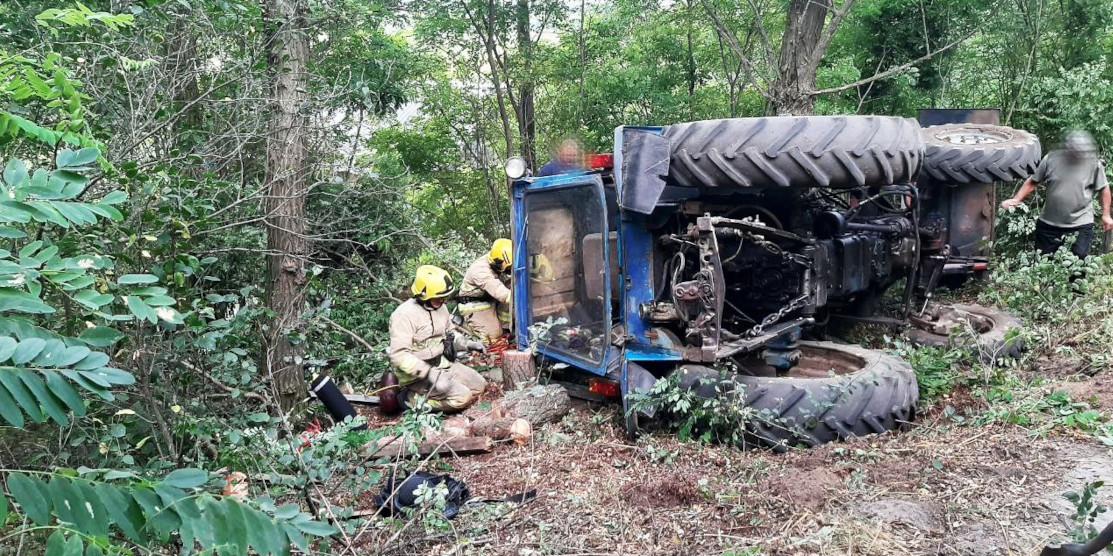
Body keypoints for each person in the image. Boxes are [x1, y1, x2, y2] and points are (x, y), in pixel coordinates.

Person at [388, 265, 487, 412]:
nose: (443, 301)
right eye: (438, 298)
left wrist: (467, 344)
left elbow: (450, 334)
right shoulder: (403, 316)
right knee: (462, 398)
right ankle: (411, 400)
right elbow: (399, 355)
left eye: (444, 298)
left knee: (480, 386)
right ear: (422, 296)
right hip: (417, 376)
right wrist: (428, 373)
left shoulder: (441, 308)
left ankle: (439, 392)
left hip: (442, 364)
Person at [1001, 130, 1113, 258]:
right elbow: (1033, 181)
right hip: (1049, 225)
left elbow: (1104, 188)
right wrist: (1016, 199)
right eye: (1075, 152)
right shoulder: (1052, 159)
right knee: (1044, 264)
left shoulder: (1093, 164)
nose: (1078, 156)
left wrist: (1106, 214)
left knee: (1077, 267)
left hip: (1080, 225)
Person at [458, 239, 513, 341]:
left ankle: (505, 327)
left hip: (491, 298)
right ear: (497, 263)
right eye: (507, 268)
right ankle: (467, 327)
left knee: (514, 285)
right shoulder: (480, 271)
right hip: (475, 304)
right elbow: (501, 293)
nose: (508, 271)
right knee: (492, 337)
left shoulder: (498, 258)